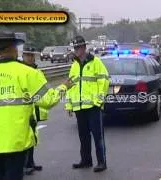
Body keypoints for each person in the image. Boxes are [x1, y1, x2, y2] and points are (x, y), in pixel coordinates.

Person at [0, 29, 72, 180]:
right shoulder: (27, 73)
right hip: (17, 141)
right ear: (14, 48)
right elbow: (48, 100)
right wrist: (64, 87)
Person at [65, 35, 110, 172]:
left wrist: (98, 101)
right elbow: (70, 86)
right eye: (75, 47)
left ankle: (102, 162)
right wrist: (69, 105)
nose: (77, 50)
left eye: (79, 47)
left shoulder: (96, 62)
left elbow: (104, 81)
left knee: (98, 136)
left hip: (93, 106)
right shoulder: (74, 65)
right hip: (79, 107)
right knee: (83, 136)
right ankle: (86, 161)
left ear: (84, 47)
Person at [22, 46, 47, 175]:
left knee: (32, 137)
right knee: (25, 138)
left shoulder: (37, 71)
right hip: (24, 110)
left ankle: (31, 162)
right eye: (27, 55)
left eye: (32, 55)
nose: (30, 58)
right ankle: (25, 165)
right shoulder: (21, 71)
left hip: (35, 109)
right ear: (23, 56)